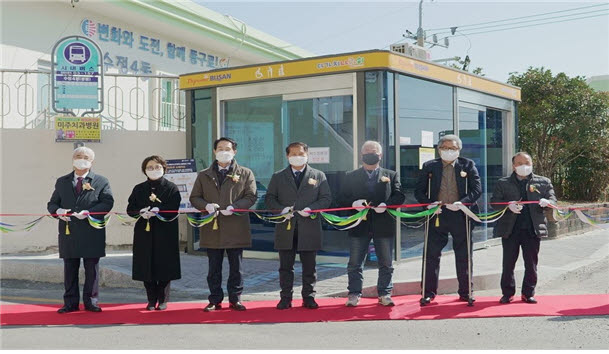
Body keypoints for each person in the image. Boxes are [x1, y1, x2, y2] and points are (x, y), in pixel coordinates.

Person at [190, 137, 257, 312]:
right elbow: (194, 197)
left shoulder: (245, 173)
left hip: (236, 226)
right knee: (214, 268)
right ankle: (214, 299)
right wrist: (206, 206)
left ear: (234, 151)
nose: (224, 151)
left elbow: (251, 196)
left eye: (227, 148)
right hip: (212, 226)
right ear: (214, 151)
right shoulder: (204, 175)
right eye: (220, 148)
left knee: (237, 267)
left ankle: (235, 299)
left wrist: (235, 207)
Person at [415, 134, 482, 305]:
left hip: (460, 214)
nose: (448, 151)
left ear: (459, 150)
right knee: (431, 255)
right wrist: (430, 204)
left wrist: (463, 203)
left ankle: (466, 292)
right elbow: (419, 191)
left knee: (464, 254)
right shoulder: (429, 166)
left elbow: (476, 189)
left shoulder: (468, 165)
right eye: (445, 147)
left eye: (452, 148)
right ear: (439, 149)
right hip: (437, 214)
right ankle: (428, 292)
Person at [265, 142, 332, 310]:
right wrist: (281, 209)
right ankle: (285, 298)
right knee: (285, 266)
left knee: (310, 266)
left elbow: (326, 198)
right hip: (286, 227)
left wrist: (312, 209)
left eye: (300, 153)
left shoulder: (318, 175)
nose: (297, 156)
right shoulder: (278, 176)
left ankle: (309, 297)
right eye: (293, 153)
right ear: (287, 156)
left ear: (307, 155)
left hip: (309, 226)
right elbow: (269, 198)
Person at [47, 146, 114, 313]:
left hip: (92, 231)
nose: (81, 158)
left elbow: (107, 202)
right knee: (70, 268)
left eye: (85, 156)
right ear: (72, 159)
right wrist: (58, 211)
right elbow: (52, 203)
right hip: (69, 231)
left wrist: (90, 213)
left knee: (91, 269)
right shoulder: (62, 181)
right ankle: (70, 302)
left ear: (91, 161)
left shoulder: (101, 181)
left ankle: (91, 301)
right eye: (78, 156)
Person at [339, 140, 405, 307]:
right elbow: (340, 198)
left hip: (383, 224)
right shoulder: (350, 176)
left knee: (386, 262)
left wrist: (387, 205)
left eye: (374, 151)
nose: (371, 154)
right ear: (362, 155)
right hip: (359, 225)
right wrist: (353, 204)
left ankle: (384, 293)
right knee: (355, 263)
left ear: (380, 155)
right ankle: (354, 293)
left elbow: (399, 196)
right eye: (367, 151)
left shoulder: (391, 175)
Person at [491, 152, 557, 304]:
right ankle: (507, 293)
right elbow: (494, 202)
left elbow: (553, 199)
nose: (524, 166)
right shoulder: (503, 182)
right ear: (514, 166)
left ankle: (528, 293)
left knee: (531, 263)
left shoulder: (543, 182)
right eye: (520, 163)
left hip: (532, 229)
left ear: (532, 163)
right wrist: (508, 205)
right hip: (510, 229)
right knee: (508, 263)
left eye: (527, 163)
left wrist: (547, 201)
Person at [127, 155, 182, 311]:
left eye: (157, 167)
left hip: (166, 231)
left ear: (164, 168)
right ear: (144, 170)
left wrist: (160, 210)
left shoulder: (171, 187)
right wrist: (140, 211)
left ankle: (163, 299)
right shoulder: (139, 188)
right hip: (144, 231)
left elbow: (174, 208)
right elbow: (130, 209)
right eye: (150, 167)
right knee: (145, 264)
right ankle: (151, 299)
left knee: (165, 264)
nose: (154, 170)